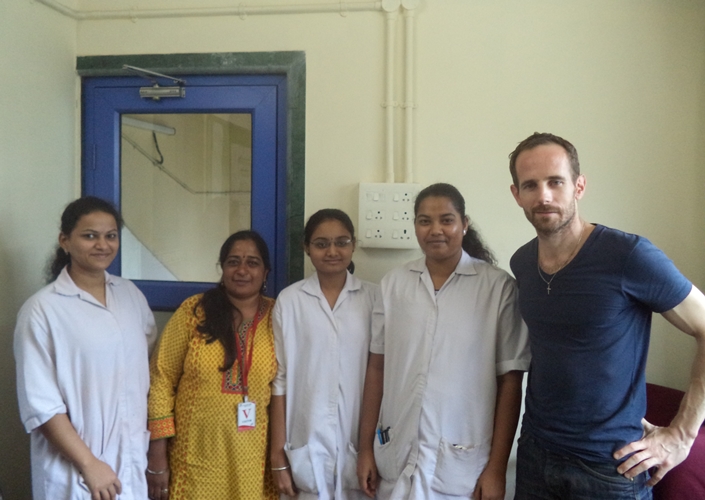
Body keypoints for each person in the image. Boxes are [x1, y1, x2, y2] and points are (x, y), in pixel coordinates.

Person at [507, 132, 705, 499]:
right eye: (530, 185)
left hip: (609, 468)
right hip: (535, 455)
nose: (544, 196)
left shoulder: (628, 255)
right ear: (516, 194)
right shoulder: (521, 262)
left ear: (579, 186)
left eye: (555, 182)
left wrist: (681, 435)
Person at [357, 183, 531, 500]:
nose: (435, 230)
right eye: (425, 221)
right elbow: (377, 368)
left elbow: (510, 382)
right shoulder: (394, 284)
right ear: (415, 226)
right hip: (396, 456)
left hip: (463, 468)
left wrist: (496, 469)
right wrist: (366, 448)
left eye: (446, 220)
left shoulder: (497, 288)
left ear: (464, 224)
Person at [14, 196, 157, 500]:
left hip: (130, 460)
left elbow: (139, 363)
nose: (102, 245)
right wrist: (89, 463)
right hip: (75, 470)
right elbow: (41, 405)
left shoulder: (130, 295)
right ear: (64, 241)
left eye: (111, 236)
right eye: (90, 236)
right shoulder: (42, 310)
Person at [146, 230, 278, 500]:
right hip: (193, 458)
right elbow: (161, 378)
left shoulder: (279, 316)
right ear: (222, 268)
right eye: (233, 262)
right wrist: (157, 455)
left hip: (252, 461)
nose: (242, 270)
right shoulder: (194, 310)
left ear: (265, 272)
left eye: (252, 263)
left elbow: (285, 389)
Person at [270, 209, 379, 499]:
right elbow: (279, 381)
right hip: (304, 443)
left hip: (360, 447)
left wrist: (372, 446)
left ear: (354, 244)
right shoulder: (290, 301)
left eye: (341, 242)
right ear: (307, 247)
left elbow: (382, 376)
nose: (332, 251)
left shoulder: (374, 298)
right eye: (321, 244)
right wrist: (278, 456)